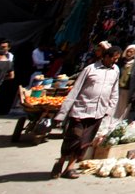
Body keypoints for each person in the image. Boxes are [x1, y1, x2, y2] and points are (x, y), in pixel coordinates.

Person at [51, 44, 122, 179]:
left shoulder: (115, 70)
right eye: (114, 58)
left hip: (98, 112)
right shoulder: (90, 69)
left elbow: (114, 91)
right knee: (73, 138)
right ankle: (60, 162)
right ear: (106, 56)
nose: (116, 61)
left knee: (84, 142)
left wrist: (109, 111)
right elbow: (75, 90)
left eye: (117, 59)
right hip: (81, 110)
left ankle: (70, 167)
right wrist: (62, 113)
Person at [115, 44, 135, 121]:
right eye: (128, 51)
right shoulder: (121, 61)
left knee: (123, 111)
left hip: (128, 91)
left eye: (131, 52)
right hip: (117, 89)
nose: (129, 54)